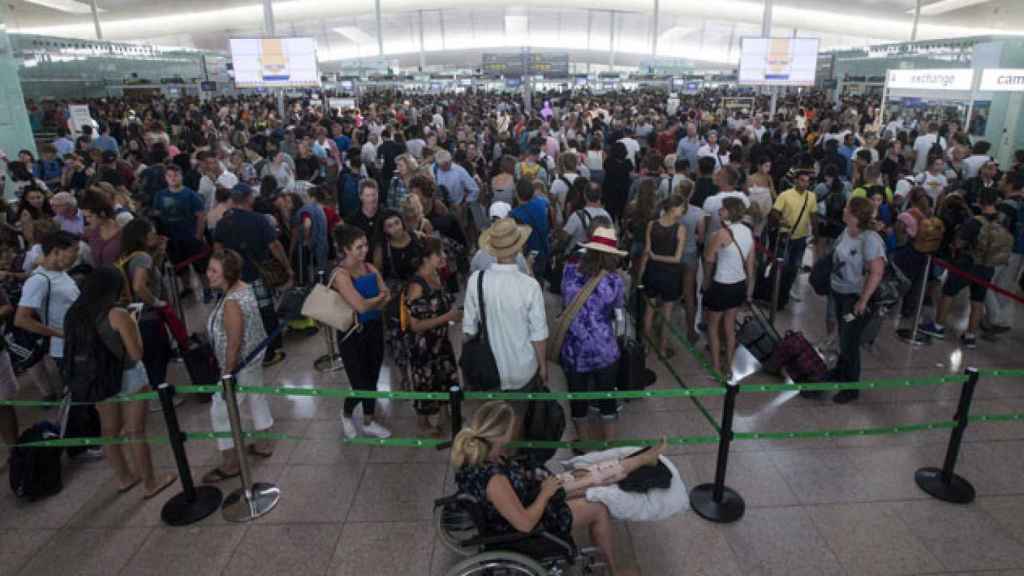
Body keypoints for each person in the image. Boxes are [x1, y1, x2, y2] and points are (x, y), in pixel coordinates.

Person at [451, 401, 641, 576]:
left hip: (524, 500)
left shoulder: (477, 456)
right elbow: (525, 524)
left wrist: (531, 478)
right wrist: (545, 493)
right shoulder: (495, 480)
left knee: (583, 486)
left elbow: (509, 481)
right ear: (501, 435)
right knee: (598, 507)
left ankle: (627, 467)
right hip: (527, 528)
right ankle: (613, 571)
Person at [63, 267, 176, 498]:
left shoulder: (74, 314)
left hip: (97, 379)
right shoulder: (117, 314)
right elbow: (135, 354)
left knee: (109, 431)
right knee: (135, 430)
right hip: (128, 377)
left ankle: (124, 478)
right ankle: (150, 483)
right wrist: (133, 324)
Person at [15, 231, 103, 460]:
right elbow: (21, 318)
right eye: (73, 253)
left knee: (87, 394)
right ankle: (80, 446)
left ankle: (95, 438)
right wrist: (60, 333)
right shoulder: (38, 280)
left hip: (81, 341)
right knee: (79, 397)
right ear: (56, 251)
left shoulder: (59, 273)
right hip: (66, 348)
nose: (75, 258)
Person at [202, 250, 277, 483]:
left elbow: (233, 342)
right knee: (256, 396)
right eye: (209, 269)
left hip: (239, 364)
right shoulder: (245, 288)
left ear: (228, 274)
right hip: (254, 357)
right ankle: (264, 443)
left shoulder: (232, 302)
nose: (208, 274)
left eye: (214, 271)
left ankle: (231, 462)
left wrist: (227, 373)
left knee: (220, 411)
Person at [463, 218, 548, 395]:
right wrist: (543, 366)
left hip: (488, 369)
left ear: (492, 250)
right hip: (524, 369)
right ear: (519, 248)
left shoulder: (476, 280)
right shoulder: (530, 286)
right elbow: (538, 334)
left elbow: (469, 331)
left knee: (497, 418)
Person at [559, 226, 626, 443]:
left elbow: (564, 302)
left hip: (574, 349)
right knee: (607, 399)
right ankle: (610, 445)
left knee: (578, 402)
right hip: (604, 349)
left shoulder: (569, 272)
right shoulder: (615, 281)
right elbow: (619, 315)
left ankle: (584, 445)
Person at [213, 183, 292, 366]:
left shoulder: (223, 223)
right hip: (256, 274)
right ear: (249, 198)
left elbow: (217, 251)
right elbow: (275, 246)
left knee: (242, 314)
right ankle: (270, 352)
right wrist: (287, 267)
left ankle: (249, 352)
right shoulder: (259, 220)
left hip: (233, 278)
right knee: (265, 312)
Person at [921, 188, 1010, 349]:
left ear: (980, 201)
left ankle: (938, 326)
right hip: (988, 266)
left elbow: (959, 243)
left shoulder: (974, 222)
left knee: (948, 293)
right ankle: (970, 336)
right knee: (978, 300)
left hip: (967, 264)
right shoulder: (1003, 220)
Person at [332, 225, 392, 439]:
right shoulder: (341, 274)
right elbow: (361, 306)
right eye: (358, 247)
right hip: (352, 334)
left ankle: (368, 420)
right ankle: (346, 413)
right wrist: (377, 299)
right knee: (359, 383)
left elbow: (388, 295)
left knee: (373, 376)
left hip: (374, 329)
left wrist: (374, 301)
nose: (364, 250)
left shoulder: (369, 268)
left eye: (365, 245)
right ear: (346, 250)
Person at [826, 197, 886, 404]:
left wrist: (863, 301)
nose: (843, 210)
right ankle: (841, 371)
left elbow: (876, 272)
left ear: (855, 215)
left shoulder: (870, 239)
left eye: (846, 208)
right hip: (840, 293)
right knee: (843, 335)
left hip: (856, 299)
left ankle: (851, 386)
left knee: (850, 340)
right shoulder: (847, 231)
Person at [405, 237, 460, 436]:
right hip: (424, 345)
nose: (443, 257)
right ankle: (423, 423)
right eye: (439, 254)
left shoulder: (436, 275)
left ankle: (446, 416)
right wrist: (448, 316)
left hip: (441, 341)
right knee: (425, 384)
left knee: (445, 378)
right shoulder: (416, 286)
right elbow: (416, 325)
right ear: (426, 258)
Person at [117, 219, 177, 390]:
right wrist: (156, 302)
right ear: (141, 236)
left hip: (134, 315)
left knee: (149, 356)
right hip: (148, 315)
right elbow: (139, 286)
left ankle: (156, 388)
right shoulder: (142, 257)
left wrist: (158, 254)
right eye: (151, 232)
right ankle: (160, 394)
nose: (155, 235)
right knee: (158, 354)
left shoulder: (128, 256)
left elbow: (148, 276)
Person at [702, 197, 755, 382]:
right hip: (738, 285)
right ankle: (729, 367)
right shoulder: (748, 232)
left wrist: (705, 283)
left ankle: (716, 366)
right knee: (730, 327)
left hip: (721, 284)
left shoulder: (721, 234)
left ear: (729, 211)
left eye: (723, 209)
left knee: (713, 325)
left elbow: (709, 260)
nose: (719, 211)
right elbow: (750, 265)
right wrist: (749, 291)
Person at [153, 163, 208, 301]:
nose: (173, 178)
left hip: (190, 237)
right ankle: (187, 287)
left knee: (200, 267)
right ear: (165, 178)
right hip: (172, 239)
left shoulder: (191, 195)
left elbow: (201, 216)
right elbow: (157, 216)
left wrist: (198, 236)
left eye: (176, 175)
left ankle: (207, 289)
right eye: (169, 176)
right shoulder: (160, 196)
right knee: (180, 267)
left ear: (181, 176)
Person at [640, 196, 687, 357]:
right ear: (673, 209)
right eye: (681, 207)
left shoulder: (652, 225)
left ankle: (644, 347)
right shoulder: (680, 229)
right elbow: (677, 258)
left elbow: (647, 253)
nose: (683, 210)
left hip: (652, 272)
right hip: (670, 275)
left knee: (649, 311)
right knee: (667, 314)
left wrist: (641, 274)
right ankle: (662, 348)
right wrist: (657, 257)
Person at [770, 169, 817, 303]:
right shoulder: (785, 195)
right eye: (802, 180)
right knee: (782, 267)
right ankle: (775, 292)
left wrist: (816, 233)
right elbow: (774, 211)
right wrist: (780, 221)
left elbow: (813, 216)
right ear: (795, 180)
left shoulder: (811, 196)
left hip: (801, 238)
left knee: (794, 267)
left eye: (807, 181)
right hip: (785, 237)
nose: (805, 183)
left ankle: (786, 292)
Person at [510, 178, 551, 280]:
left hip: (527, 256)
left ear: (517, 194)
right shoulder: (543, 203)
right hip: (542, 250)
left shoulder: (515, 214)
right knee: (539, 280)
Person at [79, 187, 124, 267]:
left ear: (102, 214)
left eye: (90, 216)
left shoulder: (122, 234)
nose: (87, 220)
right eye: (85, 217)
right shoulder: (91, 231)